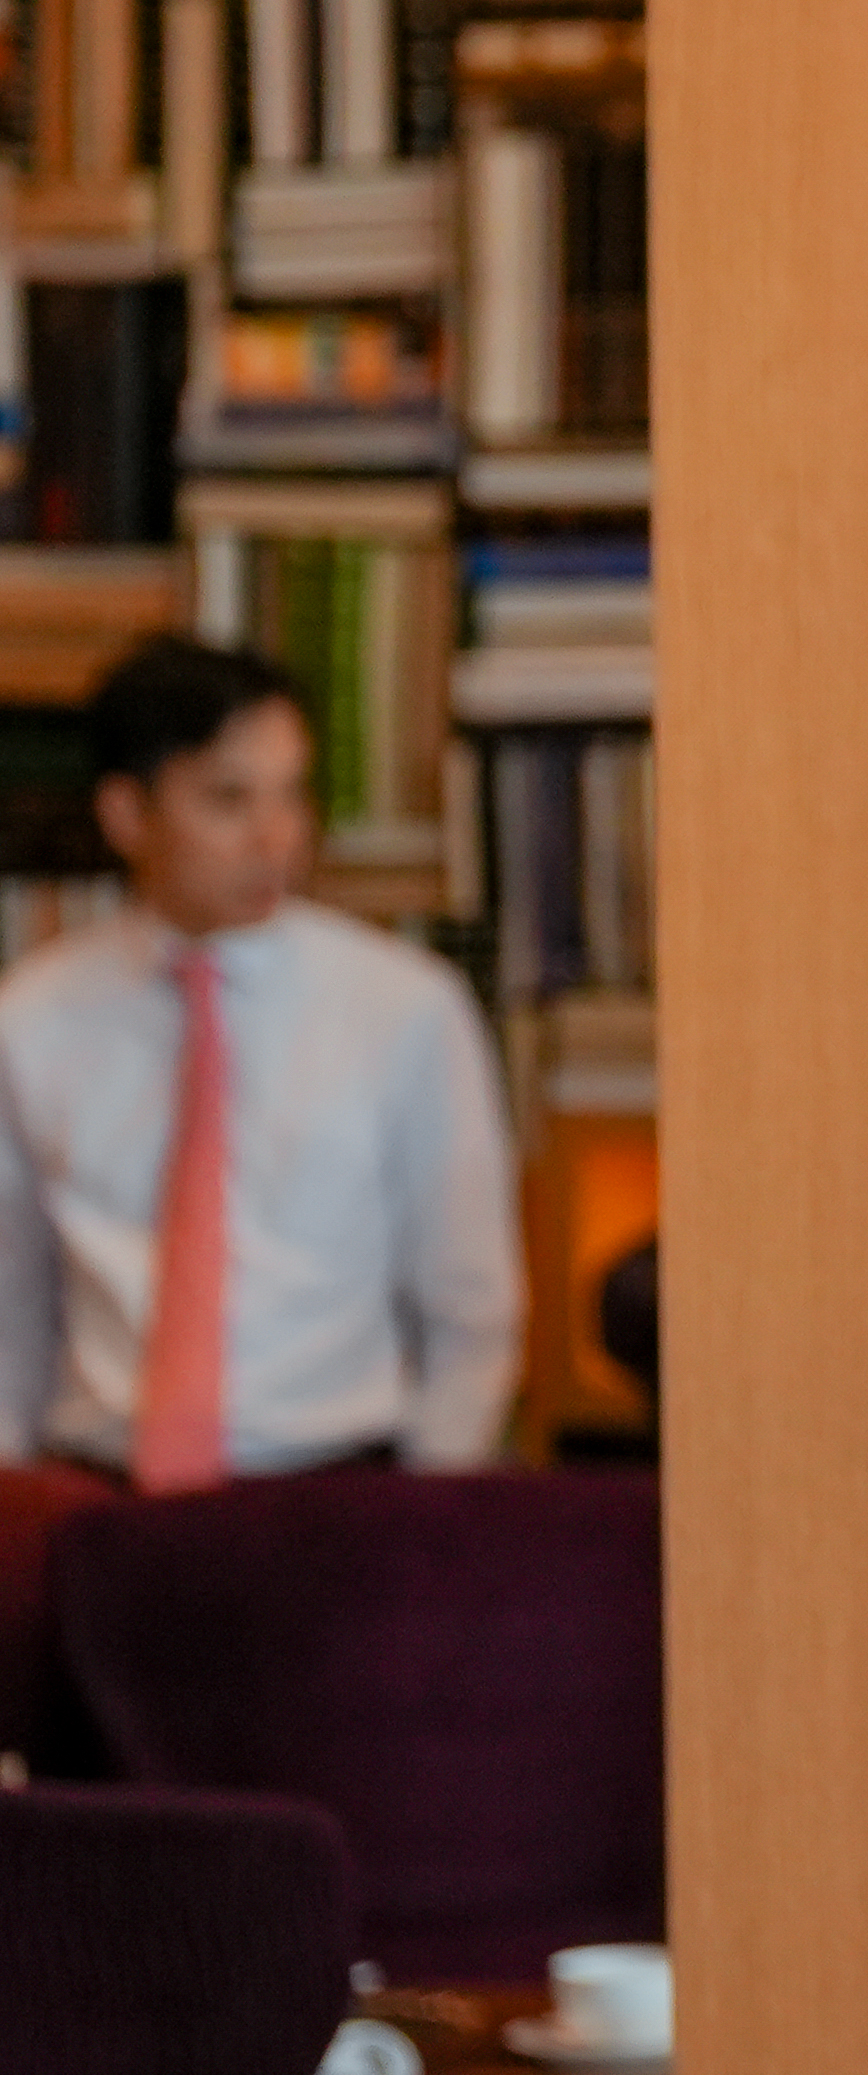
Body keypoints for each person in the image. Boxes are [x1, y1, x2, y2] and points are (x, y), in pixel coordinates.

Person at [0, 634, 519, 1483]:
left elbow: (470, 1305)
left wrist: (429, 1504)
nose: (275, 838)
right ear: (127, 814)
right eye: (229, 799)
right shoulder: (33, 1018)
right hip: (101, 1487)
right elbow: (12, 1300)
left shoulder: (404, 1009)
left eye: (291, 794)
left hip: (337, 1485)